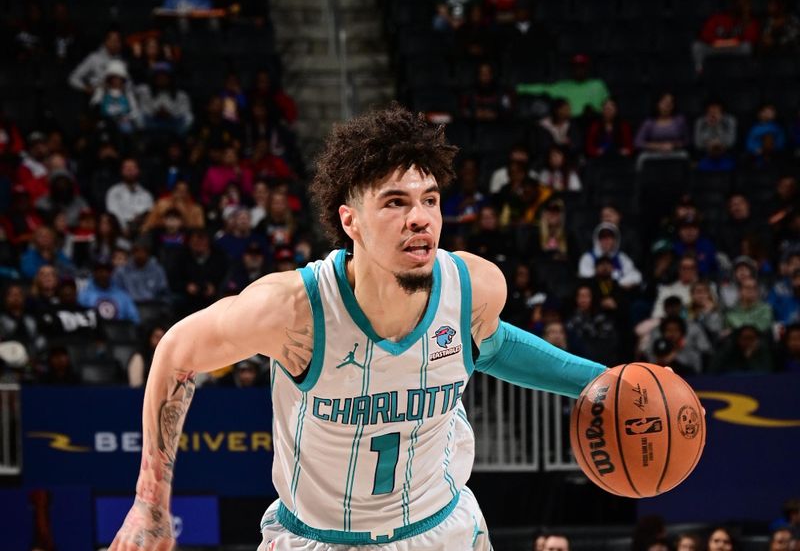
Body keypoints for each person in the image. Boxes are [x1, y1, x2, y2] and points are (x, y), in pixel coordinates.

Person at [109, 104, 607, 550]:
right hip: (318, 539)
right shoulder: (292, 311)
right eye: (395, 202)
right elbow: (176, 353)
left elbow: (494, 345)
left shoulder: (473, 286)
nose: (420, 219)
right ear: (351, 222)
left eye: (430, 200)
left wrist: (602, 380)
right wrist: (149, 502)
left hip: (442, 530)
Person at [516, 54, 610, 117]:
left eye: (582, 66)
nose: (579, 70)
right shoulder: (562, 86)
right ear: (571, 69)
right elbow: (542, 88)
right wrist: (519, 88)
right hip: (572, 125)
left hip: (595, 123)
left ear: (587, 68)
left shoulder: (598, 84)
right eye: (576, 67)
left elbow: (609, 105)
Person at [692, 0, 759, 74]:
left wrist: (746, 18)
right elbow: (705, 36)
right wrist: (719, 42)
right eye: (740, 1)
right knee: (697, 46)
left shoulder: (748, 20)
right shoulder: (717, 18)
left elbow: (751, 39)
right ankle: (699, 72)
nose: (742, 5)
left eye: (745, 2)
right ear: (734, 2)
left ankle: (748, 73)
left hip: (735, 48)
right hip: (716, 48)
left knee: (747, 47)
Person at [578, 222, 642, 288]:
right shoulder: (588, 257)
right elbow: (586, 276)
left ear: (615, 240)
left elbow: (636, 276)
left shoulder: (621, 257)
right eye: (603, 237)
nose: (606, 240)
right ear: (597, 239)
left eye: (610, 237)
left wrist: (617, 283)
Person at [136, 62, 194, 134]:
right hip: (151, 127)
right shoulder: (144, 92)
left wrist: (170, 115)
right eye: (159, 77)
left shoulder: (181, 95)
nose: (162, 79)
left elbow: (186, 116)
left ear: (170, 78)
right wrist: (156, 114)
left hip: (174, 127)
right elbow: (143, 114)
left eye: (165, 77)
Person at [79, 258, 140, 323]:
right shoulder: (83, 296)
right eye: (99, 271)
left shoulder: (123, 296)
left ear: (111, 273)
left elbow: (135, 319)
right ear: (94, 273)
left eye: (106, 271)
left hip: (118, 331)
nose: (102, 274)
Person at [105, 158, 154, 235]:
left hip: (140, 229)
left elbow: (149, 213)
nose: (130, 170)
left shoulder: (146, 194)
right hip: (118, 228)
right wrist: (123, 227)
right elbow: (113, 213)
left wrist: (139, 221)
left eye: (133, 167)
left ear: (138, 171)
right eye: (126, 168)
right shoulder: (114, 191)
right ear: (121, 171)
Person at [68, 28, 124, 95]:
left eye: (119, 41)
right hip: (98, 101)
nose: (117, 44)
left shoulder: (121, 60)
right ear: (106, 42)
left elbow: (128, 83)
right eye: (114, 41)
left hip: (118, 101)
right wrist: (86, 88)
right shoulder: (94, 58)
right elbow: (73, 78)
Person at [694, 99, 737, 171]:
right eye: (710, 112)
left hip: (726, 155)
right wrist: (710, 127)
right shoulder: (701, 122)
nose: (713, 114)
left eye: (716, 111)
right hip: (706, 155)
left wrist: (718, 125)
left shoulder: (730, 120)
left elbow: (730, 142)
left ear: (722, 112)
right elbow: (698, 144)